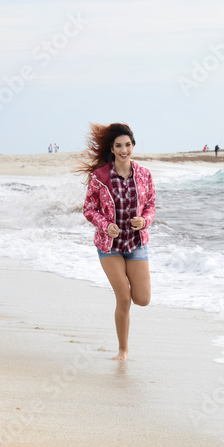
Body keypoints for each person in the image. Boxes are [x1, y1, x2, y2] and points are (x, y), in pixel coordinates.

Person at [78, 123, 156, 360]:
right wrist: (105, 225)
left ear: (133, 146)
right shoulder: (100, 177)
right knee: (123, 297)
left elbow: (151, 205)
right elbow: (89, 209)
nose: (124, 150)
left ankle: (128, 281)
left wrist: (144, 220)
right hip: (109, 246)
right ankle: (123, 350)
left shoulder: (144, 175)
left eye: (128, 145)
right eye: (119, 146)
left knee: (142, 299)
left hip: (135, 244)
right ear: (112, 149)